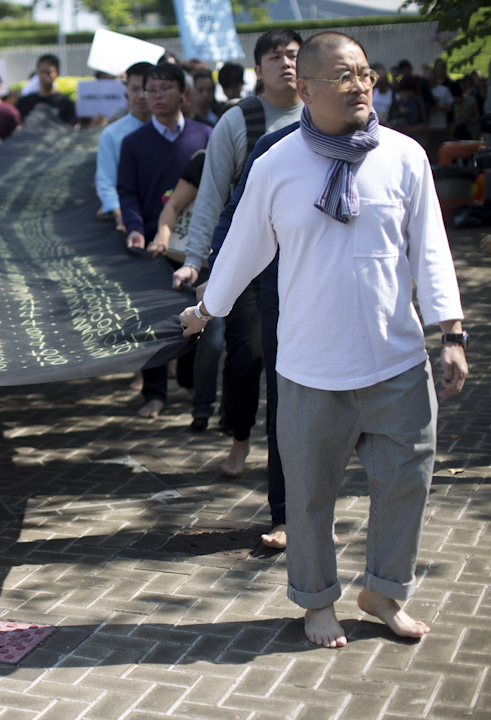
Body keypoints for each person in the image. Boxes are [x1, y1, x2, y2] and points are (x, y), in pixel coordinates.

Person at [181, 31, 468, 648]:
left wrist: (452, 332)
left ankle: (384, 593)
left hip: (396, 362)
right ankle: (315, 601)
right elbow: (244, 250)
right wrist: (208, 306)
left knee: (408, 485)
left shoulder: (404, 155)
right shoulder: (276, 165)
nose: (361, 84)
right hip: (310, 370)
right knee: (310, 499)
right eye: (344, 75)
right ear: (304, 89)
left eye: (366, 72)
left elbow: (432, 249)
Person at [172, 30, 304, 544]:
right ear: (258, 67)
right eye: (276, 57)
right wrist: (199, 262)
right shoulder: (241, 122)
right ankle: (240, 437)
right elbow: (212, 197)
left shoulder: (329, 120)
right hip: (251, 263)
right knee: (247, 357)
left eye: (294, 55)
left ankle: (292, 507)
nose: (287, 65)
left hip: (307, 270)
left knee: (296, 384)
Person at [117, 61, 212, 419]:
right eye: (149, 90)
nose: (155, 97)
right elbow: (126, 191)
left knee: (201, 317)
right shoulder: (133, 142)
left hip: (200, 246)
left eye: (164, 89)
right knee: (152, 320)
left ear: (183, 95)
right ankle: (155, 394)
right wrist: (135, 227)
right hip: (154, 247)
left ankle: (190, 381)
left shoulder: (207, 136)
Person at [95, 62, 152, 231]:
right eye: (134, 89)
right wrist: (121, 217)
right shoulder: (111, 135)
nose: (141, 96)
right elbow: (106, 182)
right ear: (126, 91)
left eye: (145, 89)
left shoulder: (169, 132)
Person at [16, 54, 78, 126]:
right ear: (37, 72)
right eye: (42, 71)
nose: (45, 76)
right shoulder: (24, 102)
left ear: (57, 73)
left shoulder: (65, 103)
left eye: (49, 72)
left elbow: (70, 128)